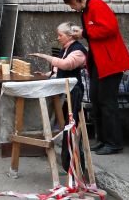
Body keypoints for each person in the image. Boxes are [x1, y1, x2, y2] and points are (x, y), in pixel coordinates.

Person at [62, 0, 129, 155]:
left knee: (107, 102)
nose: (72, 8)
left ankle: (114, 142)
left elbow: (110, 28)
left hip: (110, 62)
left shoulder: (97, 5)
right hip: (98, 62)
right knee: (96, 99)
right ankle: (103, 139)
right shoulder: (86, 10)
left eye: (72, 4)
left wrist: (84, 32)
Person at [30, 22, 87, 172]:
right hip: (64, 91)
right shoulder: (66, 48)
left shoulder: (78, 50)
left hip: (73, 93)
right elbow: (58, 70)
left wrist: (44, 56)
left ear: (69, 36)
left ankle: (76, 166)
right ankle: (68, 164)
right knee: (65, 127)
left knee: (71, 128)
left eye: (60, 35)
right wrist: (47, 75)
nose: (58, 38)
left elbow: (66, 65)